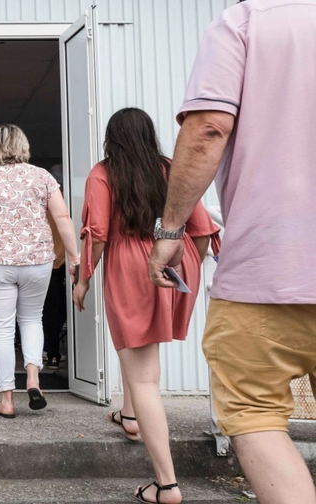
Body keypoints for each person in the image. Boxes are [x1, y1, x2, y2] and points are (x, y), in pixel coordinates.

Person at [148, 2, 316, 503]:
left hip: (267, 272)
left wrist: (170, 231)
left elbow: (207, 128)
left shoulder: (247, 22)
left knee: (255, 414)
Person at [73, 108, 220, 504]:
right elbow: (203, 229)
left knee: (143, 378)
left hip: (130, 267)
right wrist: (187, 264)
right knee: (136, 350)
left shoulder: (104, 173)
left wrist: (84, 279)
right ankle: (130, 415)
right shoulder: (170, 167)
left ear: (111, 138)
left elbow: (99, 234)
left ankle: (167, 485)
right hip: (173, 262)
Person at [0, 124, 79, 418]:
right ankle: (33, 379)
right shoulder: (42, 176)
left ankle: (6, 400)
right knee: (31, 320)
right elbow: (62, 216)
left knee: (1, 331)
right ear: (24, 146)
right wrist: (75, 257)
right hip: (37, 261)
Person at [43, 163, 67, 370]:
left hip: (48, 265)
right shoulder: (63, 203)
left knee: (49, 312)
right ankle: (51, 352)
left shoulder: (42, 203)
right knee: (57, 312)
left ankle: (49, 351)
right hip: (59, 266)